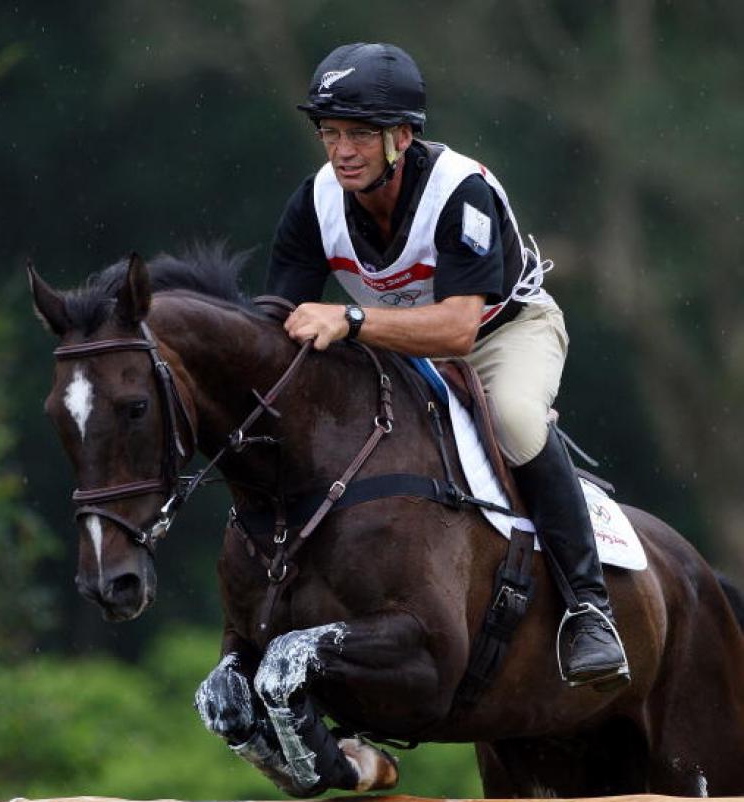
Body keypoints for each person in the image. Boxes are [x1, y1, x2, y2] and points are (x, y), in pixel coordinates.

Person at [265, 42, 629, 690]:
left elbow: (460, 328)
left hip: (501, 334)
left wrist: (348, 320)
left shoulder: (459, 193)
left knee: (516, 420)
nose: (342, 150)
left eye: (359, 135)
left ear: (402, 137)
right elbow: (282, 323)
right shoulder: (313, 203)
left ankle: (588, 609)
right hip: (392, 344)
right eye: (330, 133)